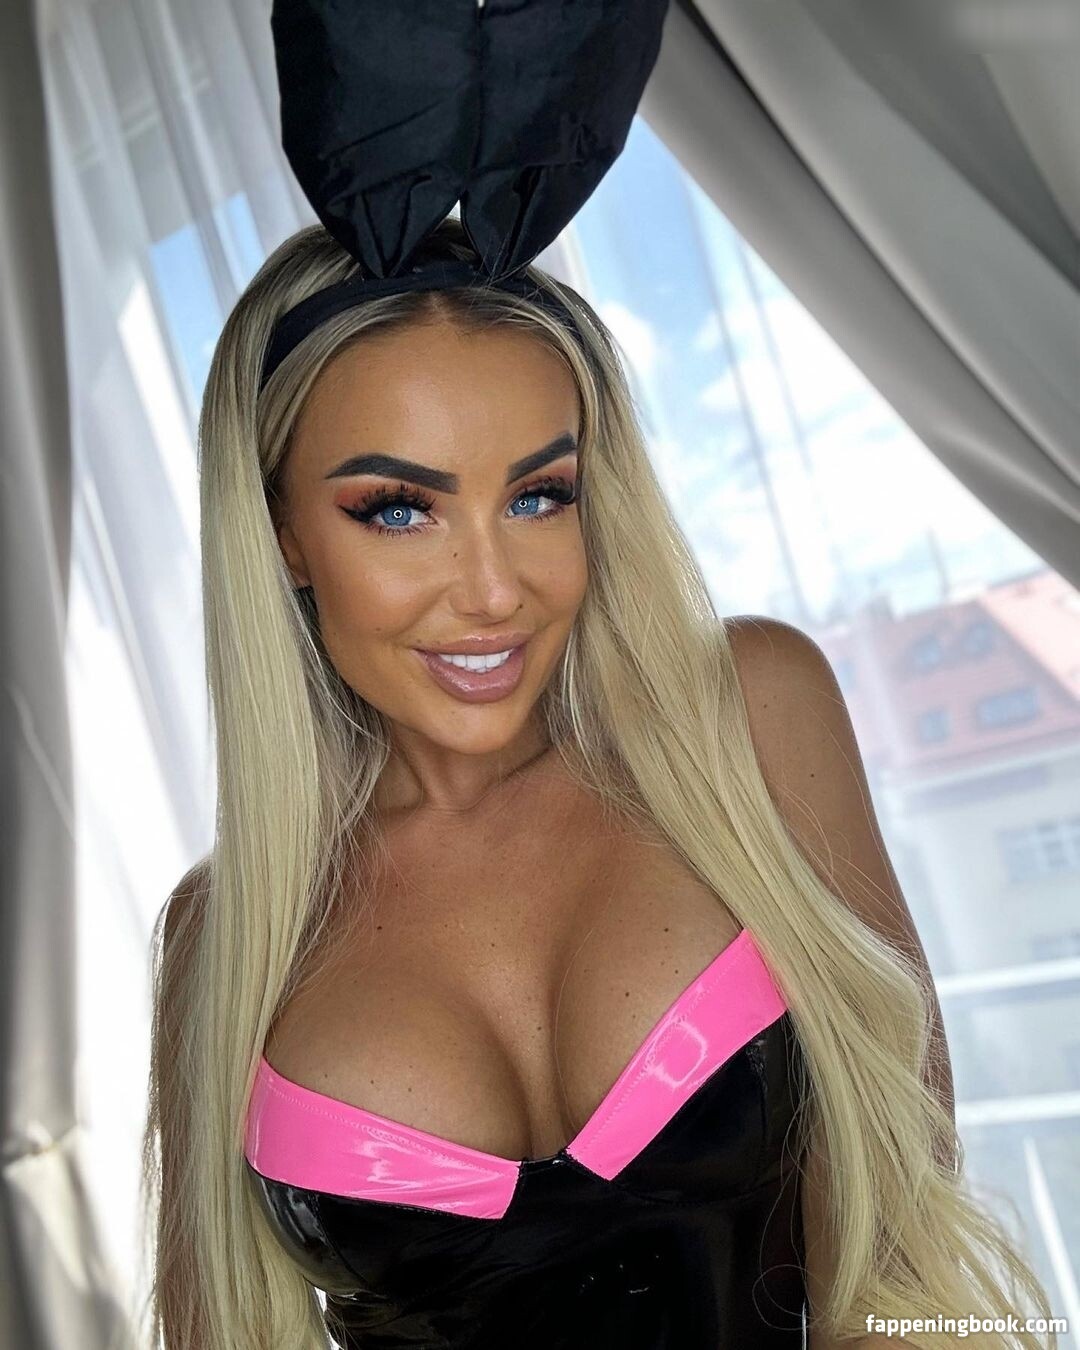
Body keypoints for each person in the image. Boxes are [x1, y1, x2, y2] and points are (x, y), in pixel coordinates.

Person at [139, 212, 1058, 1350]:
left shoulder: (748, 724)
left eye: (538, 495)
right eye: (400, 510)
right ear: (282, 533)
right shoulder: (226, 939)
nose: (493, 591)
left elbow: (902, 1248)